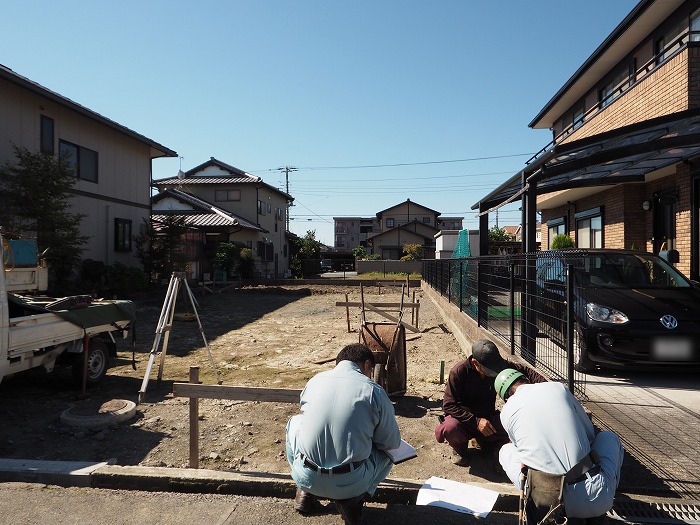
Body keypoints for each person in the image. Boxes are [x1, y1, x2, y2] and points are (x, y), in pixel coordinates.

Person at [285, 343, 401, 525]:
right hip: (351, 483)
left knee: (294, 422)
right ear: (367, 366)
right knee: (390, 452)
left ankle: (304, 490)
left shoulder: (315, 381)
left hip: (307, 476)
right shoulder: (373, 391)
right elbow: (391, 442)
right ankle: (356, 499)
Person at [495, 368, 624, 519]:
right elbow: (590, 434)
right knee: (608, 437)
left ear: (505, 398)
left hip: (544, 500)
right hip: (593, 499)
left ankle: (537, 499)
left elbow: (521, 455)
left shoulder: (506, 412)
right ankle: (609, 489)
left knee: (506, 450)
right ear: (527, 380)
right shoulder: (557, 388)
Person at [435, 339, 546, 459]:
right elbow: (449, 405)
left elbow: (525, 371)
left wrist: (546, 386)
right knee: (451, 428)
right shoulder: (459, 371)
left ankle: (489, 446)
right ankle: (460, 448)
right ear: (474, 363)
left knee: (516, 430)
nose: (493, 372)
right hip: (464, 420)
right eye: (489, 369)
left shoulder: (498, 365)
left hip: (488, 418)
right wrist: (475, 422)